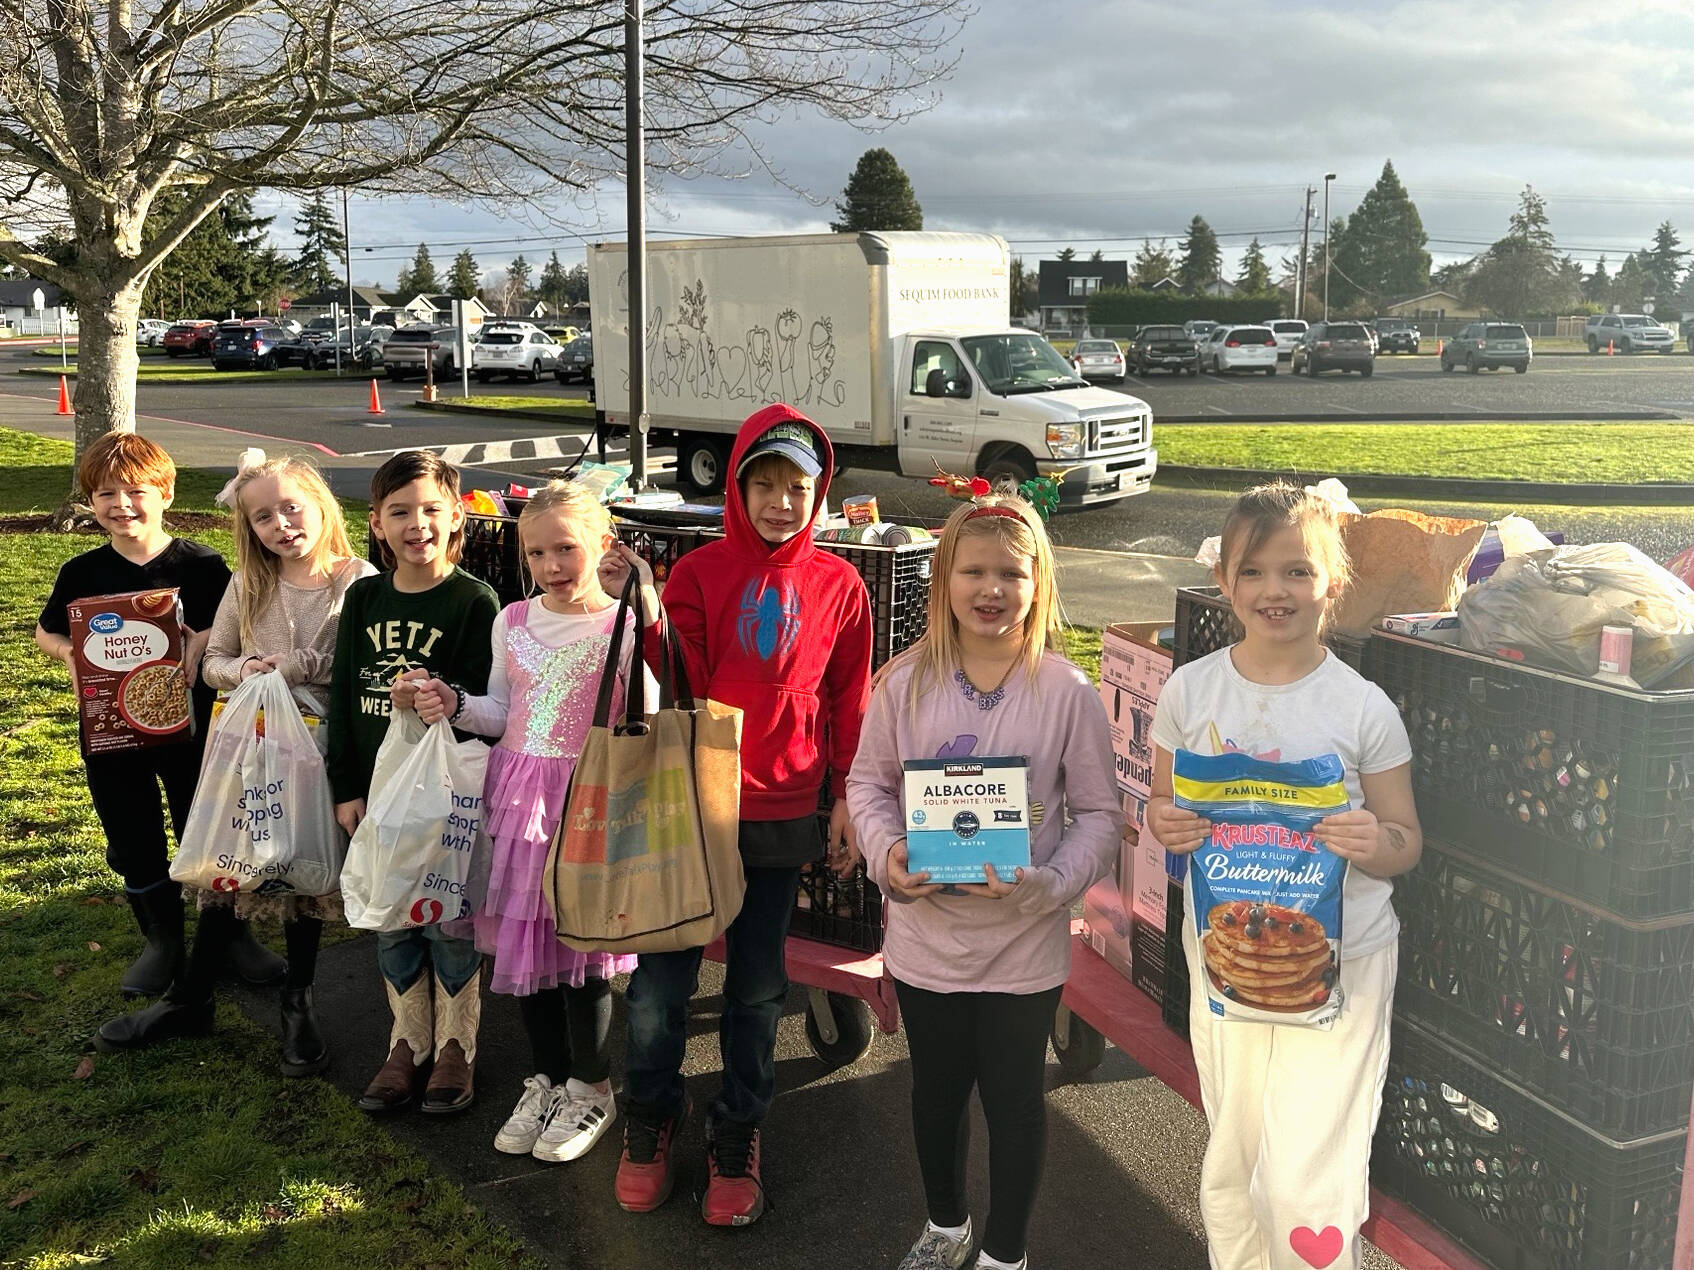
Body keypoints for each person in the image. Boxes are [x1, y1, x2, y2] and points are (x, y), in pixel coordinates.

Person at [1146, 481, 1421, 1270]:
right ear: (1225, 584)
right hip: (1226, 965)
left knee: (1308, 1171)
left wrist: (1375, 836)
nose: (1276, 590)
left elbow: (1406, 841)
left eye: (1298, 571)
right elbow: (1162, 806)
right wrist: (1162, 820)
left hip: (1343, 965)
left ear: (1332, 583)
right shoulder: (1191, 691)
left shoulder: (1363, 708)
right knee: (1233, 1156)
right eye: (1255, 571)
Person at [609, 404, 872, 1227]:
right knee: (659, 989)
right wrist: (649, 611)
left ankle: (740, 1130)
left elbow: (849, 698)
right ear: (736, 488)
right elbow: (673, 666)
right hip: (694, 803)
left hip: (784, 808)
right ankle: (650, 1117)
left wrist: (845, 795)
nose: (780, 502)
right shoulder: (698, 572)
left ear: (819, 494)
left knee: (758, 989)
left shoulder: (841, 585)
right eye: (763, 485)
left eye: (797, 487)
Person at [847, 493, 1121, 1270]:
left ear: (1039, 582)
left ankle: (1006, 1252)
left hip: (1024, 947)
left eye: (1011, 571)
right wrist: (887, 854)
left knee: (1014, 1102)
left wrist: (1047, 883)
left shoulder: (1067, 692)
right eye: (973, 570)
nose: (991, 588)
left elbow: (1101, 816)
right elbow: (866, 786)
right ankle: (945, 1225)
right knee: (934, 1096)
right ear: (943, 579)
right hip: (928, 940)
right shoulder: (901, 684)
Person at [95, 452, 377, 1060]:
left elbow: (361, 666)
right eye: (263, 517)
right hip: (248, 750)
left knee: (304, 866)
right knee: (234, 861)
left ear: (321, 507)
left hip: (319, 753)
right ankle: (191, 997)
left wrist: (298, 666)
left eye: (291, 508)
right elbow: (213, 659)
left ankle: (297, 1000)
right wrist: (243, 668)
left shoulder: (356, 579)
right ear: (250, 528)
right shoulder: (250, 583)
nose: (281, 524)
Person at [408, 481, 657, 1164]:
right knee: (525, 946)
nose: (553, 565)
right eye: (538, 552)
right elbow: (500, 710)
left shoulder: (624, 625)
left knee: (582, 956)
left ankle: (592, 1086)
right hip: (517, 801)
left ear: (603, 545)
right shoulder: (512, 620)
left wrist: (647, 607)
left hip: (590, 803)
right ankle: (546, 1078)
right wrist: (452, 701)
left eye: (567, 548)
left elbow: (649, 714)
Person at [34, 433, 285, 1017]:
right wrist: (70, 656)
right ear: (90, 502)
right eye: (106, 494)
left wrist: (200, 639)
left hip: (196, 732)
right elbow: (48, 630)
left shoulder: (203, 566)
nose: (122, 505)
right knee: (132, 832)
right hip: (112, 732)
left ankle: (230, 936)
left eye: (135, 491)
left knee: (211, 829)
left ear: (166, 493)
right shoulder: (82, 571)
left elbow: (235, 631)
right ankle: (163, 939)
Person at [327, 451, 499, 1116]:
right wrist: (347, 786)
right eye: (400, 512)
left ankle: (458, 1045)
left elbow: (483, 710)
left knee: (447, 921)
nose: (416, 524)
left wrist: (438, 700)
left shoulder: (473, 602)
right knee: (391, 917)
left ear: (455, 517)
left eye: (430, 510)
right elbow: (345, 697)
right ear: (375, 522)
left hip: (440, 799)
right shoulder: (365, 597)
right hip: (375, 794)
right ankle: (408, 1041)